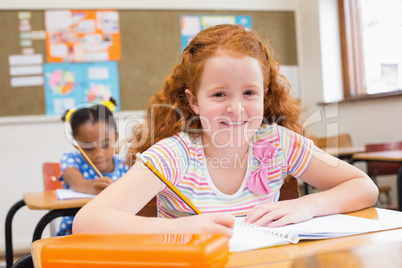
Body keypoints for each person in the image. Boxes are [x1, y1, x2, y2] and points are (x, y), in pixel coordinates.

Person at [73, 25, 378, 238]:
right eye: (219, 95)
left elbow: (364, 187)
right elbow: (87, 220)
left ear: (265, 94)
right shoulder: (174, 155)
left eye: (249, 93)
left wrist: (309, 205)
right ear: (193, 101)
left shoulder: (278, 143)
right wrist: (181, 229)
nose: (237, 109)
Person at [58, 98, 130, 235]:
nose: (98, 154)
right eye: (88, 147)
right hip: (75, 235)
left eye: (105, 144)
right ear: (76, 144)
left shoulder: (126, 166)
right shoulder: (71, 160)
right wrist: (91, 186)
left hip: (116, 234)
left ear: (115, 138)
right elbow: (73, 180)